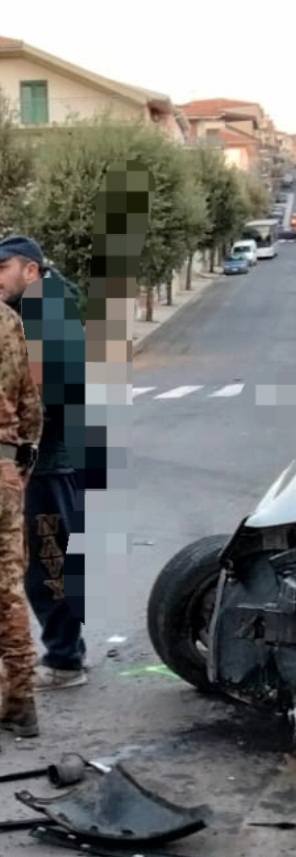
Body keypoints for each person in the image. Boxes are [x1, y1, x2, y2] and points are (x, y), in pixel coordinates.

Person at [0, 236, 88, 691]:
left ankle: (64, 660)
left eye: (3, 268)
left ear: (29, 270)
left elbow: (49, 394)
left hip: (48, 458)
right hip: (55, 455)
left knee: (47, 563)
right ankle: (66, 650)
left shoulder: (45, 310)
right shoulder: (48, 303)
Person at [0, 258, 44, 741]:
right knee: (9, 587)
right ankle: (20, 702)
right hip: (5, 470)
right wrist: (19, 463)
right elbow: (32, 405)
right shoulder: (8, 320)